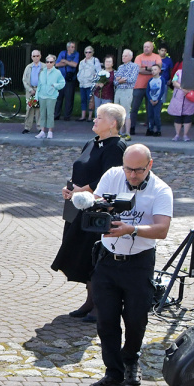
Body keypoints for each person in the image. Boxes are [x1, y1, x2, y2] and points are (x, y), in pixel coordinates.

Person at [82, 143, 172, 386]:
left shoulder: (161, 190)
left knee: (136, 319)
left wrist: (131, 229)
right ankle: (113, 372)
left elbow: (162, 229)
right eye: (128, 169)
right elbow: (94, 206)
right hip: (107, 259)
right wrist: (101, 208)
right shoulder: (112, 176)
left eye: (138, 170)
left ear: (150, 165)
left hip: (139, 262)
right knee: (106, 320)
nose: (132, 175)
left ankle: (131, 359)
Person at [53, 102, 128, 321]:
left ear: (112, 123)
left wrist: (82, 190)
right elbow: (82, 169)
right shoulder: (91, 143)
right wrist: (70, 188)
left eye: (99, 118)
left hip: (97, 211)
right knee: (83, 256)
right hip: (78, 208)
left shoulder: (116, 147)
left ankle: (100, 305)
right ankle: (90, 301)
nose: (94, 120)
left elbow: (109, 178)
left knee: (96, 257)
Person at [132, 42, 162, 135]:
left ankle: (150, 128)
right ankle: (132, 127)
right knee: (134, 108)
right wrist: (151, 70)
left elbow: (158, 68)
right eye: (144, 47)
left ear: (152, 48)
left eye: (148, 47)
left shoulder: (157, 57)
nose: (146, 48)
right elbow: (138, 70)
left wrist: (144, 68)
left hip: (152, 88)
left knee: (150, 109)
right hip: (139, 86)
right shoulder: (139, 57)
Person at [35, 54, 66, 139]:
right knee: (42, 114)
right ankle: (42, 131)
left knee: (50, 114)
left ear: (54, 63)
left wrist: (55, 85)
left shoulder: (57, 72)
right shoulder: (42, 72)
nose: (49, 63)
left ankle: (50, 131)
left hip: (51, 96)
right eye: (47, 62)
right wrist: (36, 96)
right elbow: (39, 85)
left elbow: (62, 83)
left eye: (51, 62)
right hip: (42, 95)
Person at [166, 67, 194, 142]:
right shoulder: (178, 72)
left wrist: (189, 89)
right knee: (177, 117)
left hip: (189, 97)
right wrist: (182, 88)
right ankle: (177, 134)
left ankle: (185, 135)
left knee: (188, 116)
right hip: (178, 97)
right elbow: (174, 82)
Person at [114, 50, 138, 137]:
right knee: (118, 112)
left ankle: (127, 133)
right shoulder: (120, 67)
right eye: (123, 56)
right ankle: (120, 132)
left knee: (126, 112)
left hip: (127, 90)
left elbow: (132, 79)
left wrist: (121, 79)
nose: (123, 57)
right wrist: (120, 80)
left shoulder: (134, 66)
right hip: (118, 90)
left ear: (131, 57)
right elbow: (115, 81)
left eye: (126, 56)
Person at [55, 41, 80, 120]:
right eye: (72, 47)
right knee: (59, 97)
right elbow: (57, 64)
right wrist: (70, 63)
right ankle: (56, 115)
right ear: (68, 47)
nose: (73, 49)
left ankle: (67, 116)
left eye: (74, 47)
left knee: (69, 98)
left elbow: (75, 65)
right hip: (60, 79)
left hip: (70, 79)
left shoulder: (76, 54)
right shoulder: (62, 53)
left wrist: (65, 61)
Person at [77, 47, 102, 121]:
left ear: (92, 53)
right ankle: (83, 116)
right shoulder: (82, 62)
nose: (88, 54)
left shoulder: (95, 60)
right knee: (83, 100)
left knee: (91, 100)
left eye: (89, 52)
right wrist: (79, 79)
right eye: (86, 52)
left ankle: (90, 117)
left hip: (90, 84)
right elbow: (79, 72)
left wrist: (94, 80)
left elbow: (99, 72)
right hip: (82, 83)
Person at [22, 49, 43, 134]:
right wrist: (30, 89)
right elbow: (24, 80)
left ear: (40, 56)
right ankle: (27, 127)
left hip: (40, 90)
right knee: (29, 109)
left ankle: (40, 127)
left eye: (37, 56)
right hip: (30, 91)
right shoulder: (28, 67)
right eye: (34, 56)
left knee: (39, 110)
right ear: (31, 57)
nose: (36, 58)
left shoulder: (44, 67)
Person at [145, 64, 164, 137]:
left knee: (156, 115)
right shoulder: (150, 80)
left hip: (158, 101)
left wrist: (158, 99)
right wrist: (150, 99)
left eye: (155, 69)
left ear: (159, 70)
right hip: (151, 100)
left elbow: (162, 91)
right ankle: (150, 129)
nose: (153, 71)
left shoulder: (161, 80)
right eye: (152, 70)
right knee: (150, 115)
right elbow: (147, 91)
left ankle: (158, 130)